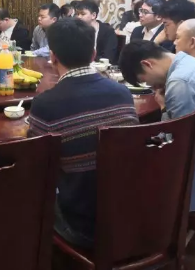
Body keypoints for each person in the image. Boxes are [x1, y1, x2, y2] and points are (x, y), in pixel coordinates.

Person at [28, 19, 138, 248]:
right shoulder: (122, 93)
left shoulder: (46, 104)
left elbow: (37, 167)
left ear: (53, 57)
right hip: (129, 211)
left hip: (80, 225)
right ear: (94, 54)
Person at [118, 40, 195, 212]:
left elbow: (175, 140)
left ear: (147, 64)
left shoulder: (180, 82)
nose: (150, 86)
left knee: (133, 159)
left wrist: (163, 108)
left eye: (143, 80)